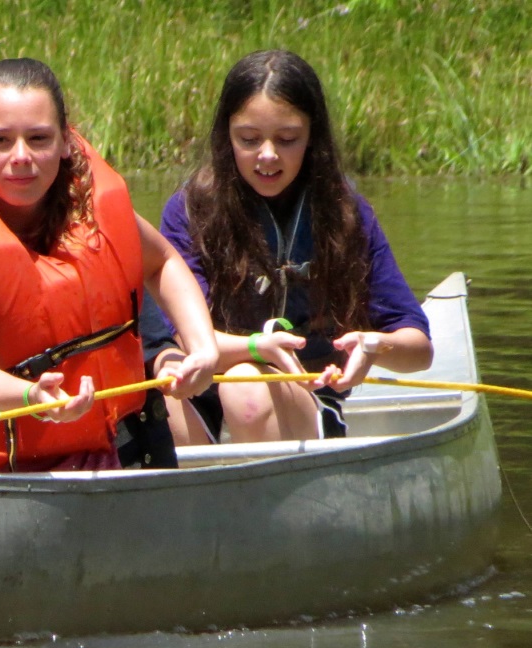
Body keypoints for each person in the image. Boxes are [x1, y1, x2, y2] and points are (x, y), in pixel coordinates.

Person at [0, 58, 219, 472]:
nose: (22, 157)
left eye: (39, 138)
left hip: (112, 440)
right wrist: (35, 397)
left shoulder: (91, 212)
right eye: (1, 141)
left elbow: (162, 261)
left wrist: (203, 347)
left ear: (66, 141)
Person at [154, 49, 433, 445]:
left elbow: (419, 350)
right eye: (248, 139)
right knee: (155, 395)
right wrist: (256, 346)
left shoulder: (346, 212)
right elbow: (182, 337)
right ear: (226, 136)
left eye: (287, 139)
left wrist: (377, 345)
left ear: (311, 138)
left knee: (245, 385)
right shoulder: (188, 210)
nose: (267, 155)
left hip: (305, 402)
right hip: (205, 395)